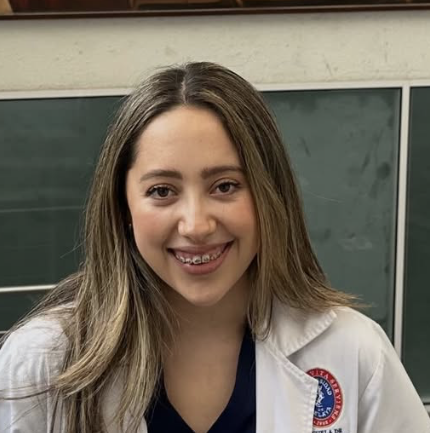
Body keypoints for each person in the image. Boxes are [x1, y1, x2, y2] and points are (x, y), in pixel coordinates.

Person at [0, 62, 429, 433]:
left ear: (270, 195)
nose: (196, 225)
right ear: (123, 207)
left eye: (225, 186)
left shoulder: (353, 352)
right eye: (162, 191)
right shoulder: (41, 363)